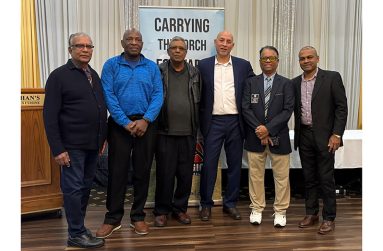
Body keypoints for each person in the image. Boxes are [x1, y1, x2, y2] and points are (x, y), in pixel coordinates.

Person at [96, 28, 163, 237]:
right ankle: (113, 218)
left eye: (138, 39)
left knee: (142, 171)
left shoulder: (151, 67)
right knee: (117, 172)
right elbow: (108, 95)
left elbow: (158, 95)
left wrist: (146, 120)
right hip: (119, 126)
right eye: (130, 39)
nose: (134, 42)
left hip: (146, 124)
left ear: (142, 43)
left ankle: (138, 217)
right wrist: (125, 122)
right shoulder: (111, 65)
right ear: (122, 42)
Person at [43, 32, 107, 249]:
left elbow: (100, 108)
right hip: (71, 147)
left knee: (86, 187)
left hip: (92, 145)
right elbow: (49, 116)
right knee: (73, 189)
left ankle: (78, 228)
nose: (85, 49)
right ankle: (76, 233)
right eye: (79, 45)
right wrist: (58, 149)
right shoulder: (58, 76)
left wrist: (102, 139)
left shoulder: (94, 75)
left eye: (89, 46)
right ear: (70, 49)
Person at [198, 31, 254, 221]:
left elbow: (254, 89)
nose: (224, 44)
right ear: (215, 43)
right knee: (209, 165)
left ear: (233, 45)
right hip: (212, 122)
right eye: (221, 40)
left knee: (235, 166)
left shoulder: (243, 65)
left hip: (236, 122)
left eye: (228, 41)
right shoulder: (203, 65)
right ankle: (206, 204)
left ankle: (230, 204)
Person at [293, 46, 348, 234]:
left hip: (326, 137)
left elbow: (341, 108)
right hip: (304, 135)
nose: (306, 61)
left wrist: (337, 134)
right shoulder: (294, 83)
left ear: (317, 58)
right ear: (299, 61)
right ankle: (312, 213)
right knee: (309, 178)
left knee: (326, 178)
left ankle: (329, 218)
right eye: (302, 58)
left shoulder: (332, 78)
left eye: (309, 57)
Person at [242, 46, 294, 227]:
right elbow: (245, 108)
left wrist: (268, 130)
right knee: (255, 176)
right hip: (254, 137)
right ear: (260, 61)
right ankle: (256, 208)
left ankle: (280, 211)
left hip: (279, 137)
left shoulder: (286, 84)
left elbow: (288, 110)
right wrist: (259, 129)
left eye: (272, 58)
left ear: (278, 61)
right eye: (265, 58)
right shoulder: (250, 82)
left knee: (281, 177)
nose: (268, 61)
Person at [153, 36, 201, 227]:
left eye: (181, 48)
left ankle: (180, 209)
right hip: (165, 131)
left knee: (185, 174)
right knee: (165, 174)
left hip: (188, 132)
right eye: (174, 47)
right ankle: (161, 211)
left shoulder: (195, 73)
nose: (177, 51)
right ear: (168, 50)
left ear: (186, 51)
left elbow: (200, 100)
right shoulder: (159, 71)